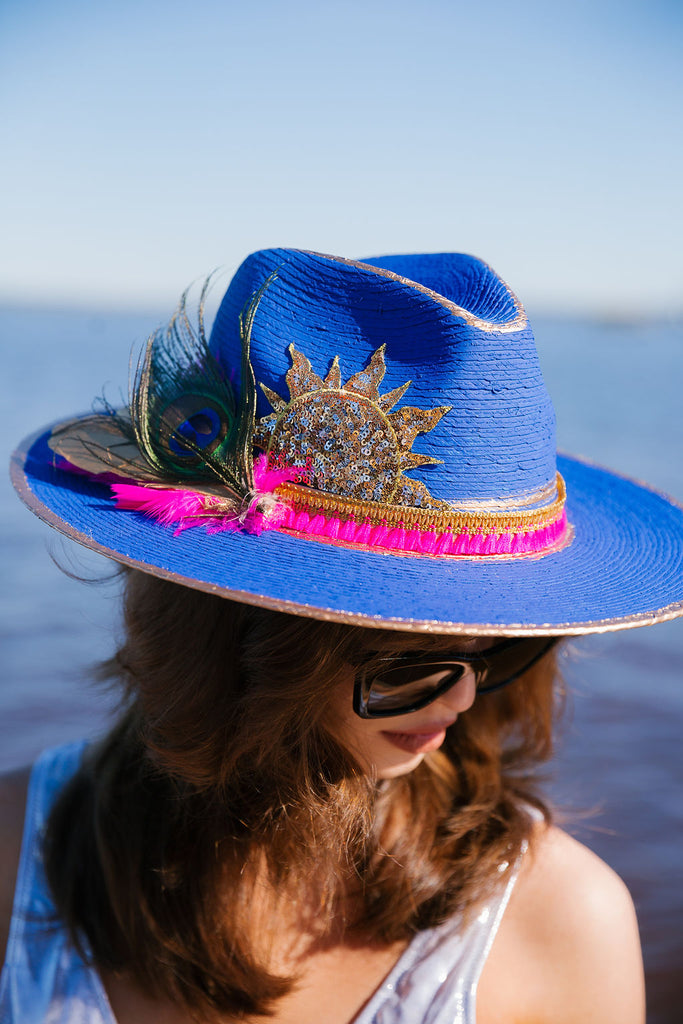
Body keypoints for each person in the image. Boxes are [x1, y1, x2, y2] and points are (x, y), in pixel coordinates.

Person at [3, 248, 680, 1023]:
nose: (462, 696)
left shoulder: (559, 921)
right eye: (403, 659)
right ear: (237, 639)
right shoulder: (12, 853)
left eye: (502, 645)